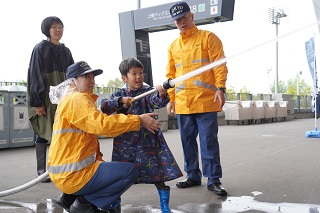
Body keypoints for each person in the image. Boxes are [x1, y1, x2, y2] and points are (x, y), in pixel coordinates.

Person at [47, 61, 161, 213]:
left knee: (111, 175)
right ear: (73, 81)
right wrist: (138, 120)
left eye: (93, 77)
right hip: (73, 175)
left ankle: (70, 197)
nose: (92, 81)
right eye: (87, 77)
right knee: (130, 172)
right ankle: (83, 204)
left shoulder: (69, 101)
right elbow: (103, 125)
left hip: (65, 172)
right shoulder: (77, 100)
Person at [100, 58, 182, 213]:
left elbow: (157, 102)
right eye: (134, 74)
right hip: (126, 145)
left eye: (141, 73)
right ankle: (115, 206)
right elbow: (105, 106)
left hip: (148, 143)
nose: (138, 77)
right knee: (119, 179)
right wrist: (120, 101)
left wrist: (162, 94)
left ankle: (165, 207)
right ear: (124, 78)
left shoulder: (147, 91)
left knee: (158, 177)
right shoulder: (119, 94)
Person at [166, 1, 229, 196]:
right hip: (183, 103)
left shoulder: (208, 38)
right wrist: (172, 99)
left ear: (192, 16)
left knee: (209, 141)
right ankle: (192, 175)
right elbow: (170, 76)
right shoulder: (173, 46)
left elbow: (220, 64)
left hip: (205, 100)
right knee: (187, 141)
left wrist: (221, 88)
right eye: (177, 20)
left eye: (184, 17)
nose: (181, 22)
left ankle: (213, 179)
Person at [26, 16, 74, 182]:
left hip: (62, 97)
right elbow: (35, 75)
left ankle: (58, 167)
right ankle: (41, 172)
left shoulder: (66, 51)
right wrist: (37, 102)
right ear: (47, 30)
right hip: (45, 95)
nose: (58, 30)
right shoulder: (39, 49)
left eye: (60, 27)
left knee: (61, 131)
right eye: (54, 27)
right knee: (43, 131)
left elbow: (72, 75)